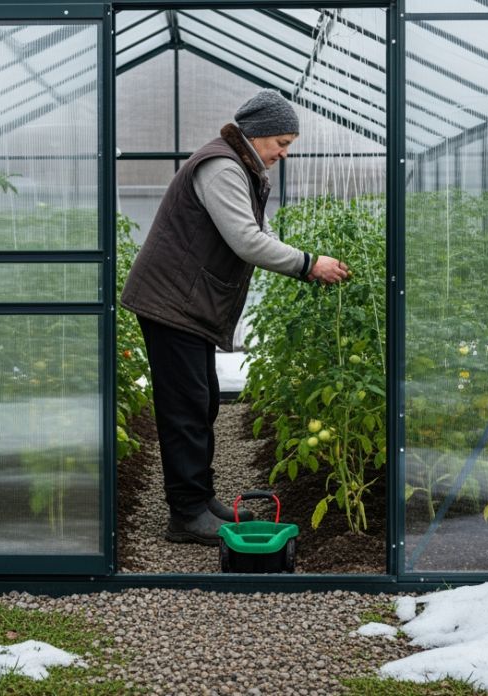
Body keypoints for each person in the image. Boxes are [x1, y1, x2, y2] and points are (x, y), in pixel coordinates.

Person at [120, 90, 350, 546]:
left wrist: (297, 258)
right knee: (185, 407)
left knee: (201, 402)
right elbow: (245, 239)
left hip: (188, 303)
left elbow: (259, 230)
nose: (284, 152)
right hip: (172, 303)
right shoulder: (222, 166)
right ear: (258, 133)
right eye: (281, 142)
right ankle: (185, 514)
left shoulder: (242, 166)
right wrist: (308, 263)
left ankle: (200, 500)